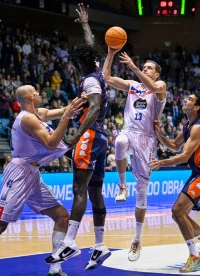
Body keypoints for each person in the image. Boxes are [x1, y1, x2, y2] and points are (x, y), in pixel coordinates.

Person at [0, 85, 84, 276]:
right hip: (18, 174)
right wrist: (67, 117)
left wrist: (84, 98)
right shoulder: (27, 118)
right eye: (36, 91)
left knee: (61, 216)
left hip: (33, 174)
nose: (39, 93)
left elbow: (64, 109)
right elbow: (51, 144)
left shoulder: (39, 114)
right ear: (29, 97)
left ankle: (55, 269)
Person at [47, 3, 111, 270]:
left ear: (78, 63)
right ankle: (99, 246)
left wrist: (76, 134)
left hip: (91, 136)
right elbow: (92, 47)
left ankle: (71, 242)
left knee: (78, 190)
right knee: (95, 192)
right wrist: (85, 24)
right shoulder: (95, 70)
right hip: (103, 137)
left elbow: (94, 106)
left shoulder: (89, 81)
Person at [102, 41, 166, 261]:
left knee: (142, 193)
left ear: (156, 74)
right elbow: (107, 78)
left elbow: (155, 88)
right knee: (119, 142)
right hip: (130, 131)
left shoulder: (160, 86)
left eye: (149, 68)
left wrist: (135, 68)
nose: (145, 69)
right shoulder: (132, 85)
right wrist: (110, 54)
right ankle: (121, 185)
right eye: (144, 67)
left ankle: (137, 239)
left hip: (147, 141)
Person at [150, 91, 200, 273]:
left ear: (196, 107)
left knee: (177, 211)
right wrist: (159, 134)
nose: (185, 100)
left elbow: (184, 156)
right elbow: (174, 145)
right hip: (198, 172)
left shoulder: (198, 127)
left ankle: (195, 255)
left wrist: (161, 163)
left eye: (189, 99)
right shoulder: (188, 124)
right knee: (178, 214)